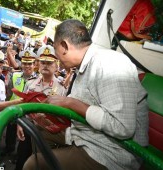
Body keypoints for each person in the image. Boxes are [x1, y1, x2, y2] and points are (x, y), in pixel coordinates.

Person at [23, 19, 149, 170]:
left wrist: (70, 103)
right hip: (86, 135)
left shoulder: (109, 64)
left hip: (108, 153)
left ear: (64, 46)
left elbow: (122, 127)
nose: (56, 58)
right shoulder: (84, 67)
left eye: (55, 49)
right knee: (37, 129)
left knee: (32, 165)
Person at [16, 45, 67, 170]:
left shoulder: (61, 89)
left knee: (40, 162)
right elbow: (22, 106)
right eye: (43, 62)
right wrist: (19, 124)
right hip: (28, 128)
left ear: (56, 66)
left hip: (47, 133)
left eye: (49, 63)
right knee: (21, 159)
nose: (45, 65)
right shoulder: (30, 83)